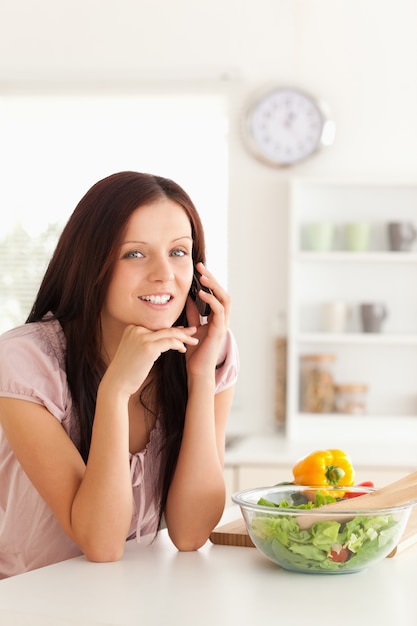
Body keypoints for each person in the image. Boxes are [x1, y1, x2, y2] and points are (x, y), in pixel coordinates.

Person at [0, 171, 239, 578]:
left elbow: (191, 533)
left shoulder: (209, 349)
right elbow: (101, 543)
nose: (165, 274)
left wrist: (200, 378)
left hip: (129, 598)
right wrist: (115, 391)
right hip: (30, 601)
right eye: (135, 254)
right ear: (93, 263)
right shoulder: (25, 363)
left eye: (179, 252)